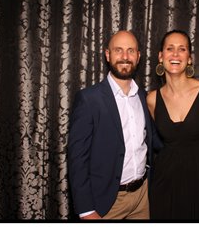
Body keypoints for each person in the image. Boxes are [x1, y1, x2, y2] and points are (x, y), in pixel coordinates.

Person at [67, 30, 156, 220]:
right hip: (107, 202)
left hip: (143, 198)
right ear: (108, 55)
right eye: (118, 50)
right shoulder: (89, 99)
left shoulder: (144, 97)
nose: (125, 56)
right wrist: (86, 210)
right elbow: (77, 159)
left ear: (138, 56)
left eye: (131, 50)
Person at [147, 30, 199, 220]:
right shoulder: (151, 99)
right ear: (161, 56)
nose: (175, 54)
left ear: (189, 59)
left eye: (182, 49)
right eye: (170, 48)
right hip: (163, 188)